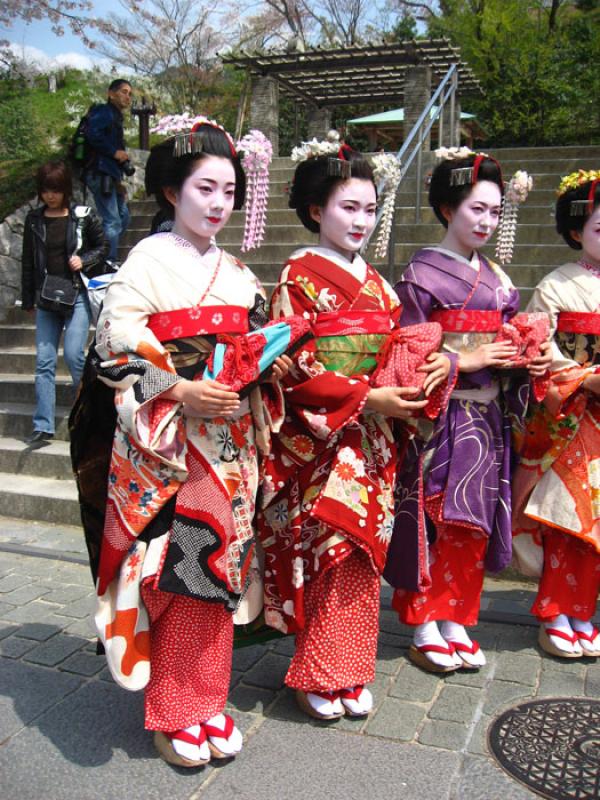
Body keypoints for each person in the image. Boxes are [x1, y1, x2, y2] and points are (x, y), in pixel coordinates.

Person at [87, 119, 296, 768]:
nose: (217, 203)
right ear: (172, 190)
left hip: (231, 446)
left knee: (221, 575)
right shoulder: (148, 260)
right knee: (182, 575)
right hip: (171, 448)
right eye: (205, 187)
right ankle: (175, 711)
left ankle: (207, 701)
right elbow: (112, 348)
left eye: (229, 191)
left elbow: (258, 341)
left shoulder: (237, 273)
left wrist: (272, 364)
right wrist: (180, 390)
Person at [258, 134, 450, 720]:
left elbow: (395, 348)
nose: (361, 220)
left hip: (373, 435)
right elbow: (291, 368)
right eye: (348, 207)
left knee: (365, 550)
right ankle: (317, 670)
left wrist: (436, 366)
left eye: (370, 208)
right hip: (322, 438)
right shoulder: (297, 277)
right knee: (328, 548)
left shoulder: (382, 285)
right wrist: (370, 397)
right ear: (316, 210)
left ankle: (349, 669)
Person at [384, 149, 552, 673]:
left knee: (473, 523)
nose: (486, 221)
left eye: (495, 212)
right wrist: (467, 357)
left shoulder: (499, 280)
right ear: (446, 209)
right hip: (442, 419)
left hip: (489, 416)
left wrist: (529, 352)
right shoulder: (420, 274)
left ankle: (457, 616)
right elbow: (405, 355)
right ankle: (424, 622)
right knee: (435, 519)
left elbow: (509, 339)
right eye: (476, 209)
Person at [512, 170, 600, 658]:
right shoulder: (555, 285)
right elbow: (540, 350)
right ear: (575, 232)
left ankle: (583, 611)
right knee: (570, 517)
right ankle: (554, 612)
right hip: (574, 417)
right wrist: (584, 379)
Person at [21, 160, 107, 445]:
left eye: (56, 190)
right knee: (44, 361)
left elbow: (102, 245)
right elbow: (28, 261)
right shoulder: (34, 220)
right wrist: (28, 298)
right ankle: (43, 424)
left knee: (73, 354)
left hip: (76, 295)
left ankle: (91, 412)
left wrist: (85, 259)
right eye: (46, 190)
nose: (50, 196)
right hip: (46, 298)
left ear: (65, 189)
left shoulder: (81, 217)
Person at [85, 79, 133, 260]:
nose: (127, 97)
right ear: (111, 93)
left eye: (129, 94)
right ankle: (108, 262)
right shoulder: (104, 111)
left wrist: (119, 179)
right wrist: (115, 152)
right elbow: (93, 134)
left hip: (110, 174)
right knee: (112, 220)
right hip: (99, 172)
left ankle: (102, 252)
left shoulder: (115, 116)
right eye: (123, 92)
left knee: (123, 216)